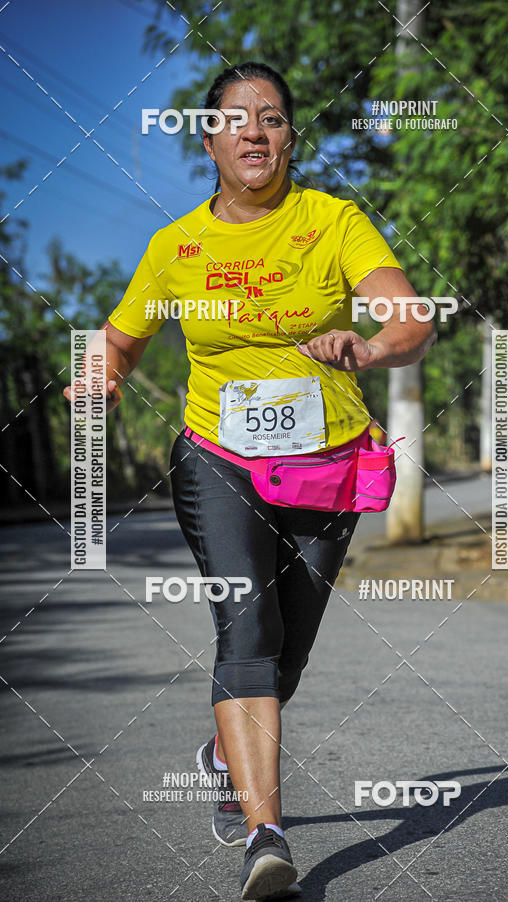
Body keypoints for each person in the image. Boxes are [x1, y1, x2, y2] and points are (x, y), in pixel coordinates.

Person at [65, 61, 435, 901]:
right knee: (248, 627)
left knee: (288, 653)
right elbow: (121, 339)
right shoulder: (175, 247)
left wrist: (371, 346)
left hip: (325, 463)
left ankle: (224, 755)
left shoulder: (333, 221)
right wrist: (102, 374)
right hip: (218, 457)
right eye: (236, 119)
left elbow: (411, 319)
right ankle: (266, 837)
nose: (255, 133)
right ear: (209, 141)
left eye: (271, 118)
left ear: (291, 137)